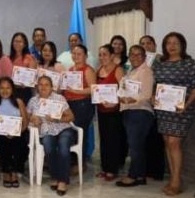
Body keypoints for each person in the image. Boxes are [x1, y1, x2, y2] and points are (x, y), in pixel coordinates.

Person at [152, 32, 195, 196]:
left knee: (174, 143)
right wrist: (153, 97)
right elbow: (155, 84)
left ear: (182, 45)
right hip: (163, 110)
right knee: (167, 142)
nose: (172, 46)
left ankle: (176, 181)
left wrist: (186, 105)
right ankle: (173, 177)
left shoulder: (190, 63)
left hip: (182, 110)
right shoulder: (159, 63)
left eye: (176, 43)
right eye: (168, 43)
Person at [27, 76, 76, 196]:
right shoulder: (33, 101)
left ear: (51, 87)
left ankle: (63, 181)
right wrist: (33, 118)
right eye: (41, 84)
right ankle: (55, 176)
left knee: (63, 146)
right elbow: (26, 116)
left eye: (46, 84)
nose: (43, 87)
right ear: (37, 86)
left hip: (62, 128)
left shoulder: (59, 98)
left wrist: (57, 118)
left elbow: (71, 117)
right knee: (48, 147)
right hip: (46, 131)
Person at [116, 45, 154, 188]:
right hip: (129, 111)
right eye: (132, 54)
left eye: (139, 55)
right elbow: (122, 90)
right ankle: (140, 176)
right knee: (136, 145)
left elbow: (146, 94)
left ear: (144, 57)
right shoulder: (131, 71)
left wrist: (131, 100)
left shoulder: (146, 71)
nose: (135, 57)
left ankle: (133, 176)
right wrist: (120, 98)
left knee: (135, 145)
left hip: (140, 111)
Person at [0, 77, 28, 187]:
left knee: (21, 145)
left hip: (18, 132)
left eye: (8, 88)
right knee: (3, 143)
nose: (5, 91)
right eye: (2, 88)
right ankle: (6, 172)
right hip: (0, 133)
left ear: (12, 89)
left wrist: (16, 131)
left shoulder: (19, 102)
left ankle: (14, 171)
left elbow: (25, 123)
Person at [95, 44, 125, 181]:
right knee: (104, 139)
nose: (102, 57)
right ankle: (105, 167)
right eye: (100, 55)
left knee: (113, 139)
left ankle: (112, 170)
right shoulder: (98, 70)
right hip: (101, 110)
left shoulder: (118, 70)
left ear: (112, 56)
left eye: (105, 54)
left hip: (114, 110)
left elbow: (125, 90)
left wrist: (116, 101)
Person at [63, 44, 96, 165]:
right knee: (71, 134)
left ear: (85, 56)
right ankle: (72, 162)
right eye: (74, 53)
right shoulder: (70, 69)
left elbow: (93, 89)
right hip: (70, 104)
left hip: (83, 105)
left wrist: (76, 91)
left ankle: (80, 164)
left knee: (81, 135)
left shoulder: (88, 70)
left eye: (79, 54)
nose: (76, 56)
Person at [139, 34, 165, 180]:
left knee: (156, 137)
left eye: (149, 43)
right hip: (142, 104)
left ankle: (156, 171)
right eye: (143, 43)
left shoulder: (161, 60)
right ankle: (146, 169)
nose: (146, 46)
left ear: (155, 45)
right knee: (145, 138)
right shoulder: (136, 63)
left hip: (157, 103)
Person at [10, 32, 38, 104]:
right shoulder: (8, 58)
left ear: (25, 44)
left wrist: (24, 83)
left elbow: (32, 78)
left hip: (24, 92)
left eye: (20, 41)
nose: (17, 43)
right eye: (15, 41)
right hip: (10, 91)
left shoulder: (30, 58)